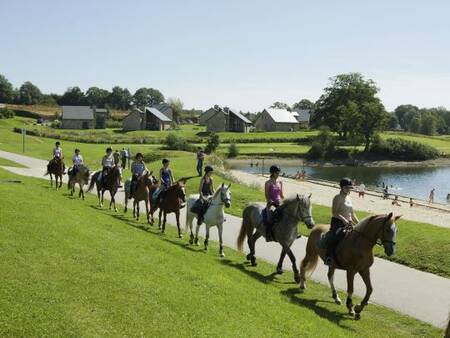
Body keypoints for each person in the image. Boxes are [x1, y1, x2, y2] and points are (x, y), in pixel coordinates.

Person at [324, 177, 360, 266]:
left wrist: (359, 223)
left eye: (350, 188)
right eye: (347, 187)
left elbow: (352, 212)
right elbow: (334, 212)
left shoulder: (349, 198)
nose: (349, 189)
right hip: (338, 222)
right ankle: (329, 257)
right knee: (336, 236)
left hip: (348, 222)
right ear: (342, 187)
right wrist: (344, 220)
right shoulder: (337, 198)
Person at [264, 165, 284, 242]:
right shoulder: (268, 183)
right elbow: (266, 195)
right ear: (272, 173)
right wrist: (271, 201)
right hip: (271, 203)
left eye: (278, 172)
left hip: (279, 202)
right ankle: (268, 235)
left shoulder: (280, 182)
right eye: (276, 173)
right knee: (271, 217)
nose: (278, 174)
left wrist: (285, 201)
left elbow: (281, 195)